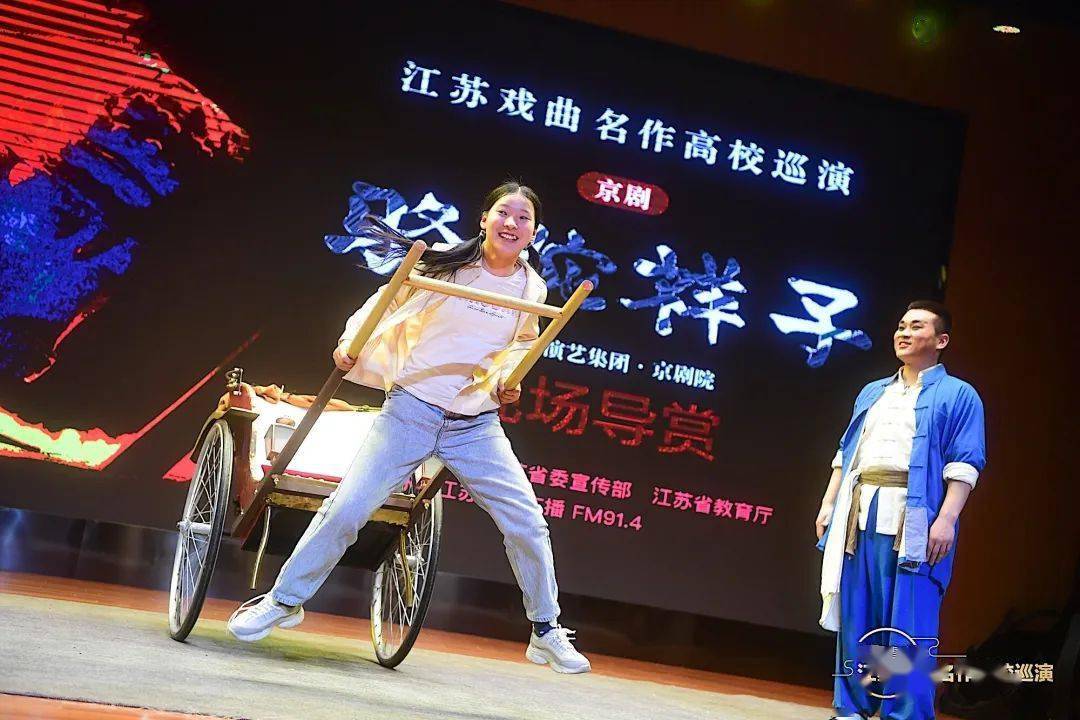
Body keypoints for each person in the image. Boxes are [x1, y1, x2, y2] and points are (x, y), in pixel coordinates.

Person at [227, 181, 591, 674]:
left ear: (533, 232)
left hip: (475, 425)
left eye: (523, 218)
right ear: (484, 219)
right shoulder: (444, 263)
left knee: (527, 521)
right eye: (503, 212)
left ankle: (545, 630)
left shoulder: (532, 289)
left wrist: (510, 381)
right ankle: (284, 600)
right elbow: (387, 300)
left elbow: (521, 345)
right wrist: (351, 341)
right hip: (412, 411)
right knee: (347, 508)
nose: (512, 223)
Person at [815, 301, 986, 719]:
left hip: (915, 519)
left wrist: (946, 519)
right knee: (858, 613)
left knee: (909, 623)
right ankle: (852, 708)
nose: (904, 333)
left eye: (917, 326)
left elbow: (965, 464)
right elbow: (847, 452)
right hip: (860, 513)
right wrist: (829, 503)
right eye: (901, 325)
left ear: (941, 340)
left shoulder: (959, 394)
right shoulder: (874, 392)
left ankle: (905, 714)